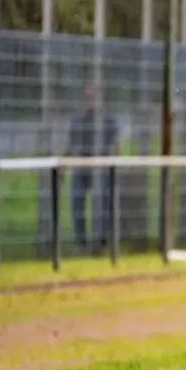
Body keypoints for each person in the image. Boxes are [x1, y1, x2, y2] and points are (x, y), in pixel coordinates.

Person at [67, 86, 119, 253]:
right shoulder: (78, 119)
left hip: (101, 169)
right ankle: (80, 243)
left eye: (93, 97)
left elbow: (116, 143)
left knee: (103, 206)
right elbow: (71, 144)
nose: (90, 101)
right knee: (78, 206)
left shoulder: (108, 120)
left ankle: (102, 243)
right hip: (81, 168)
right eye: (87, 97)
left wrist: (108, 159)